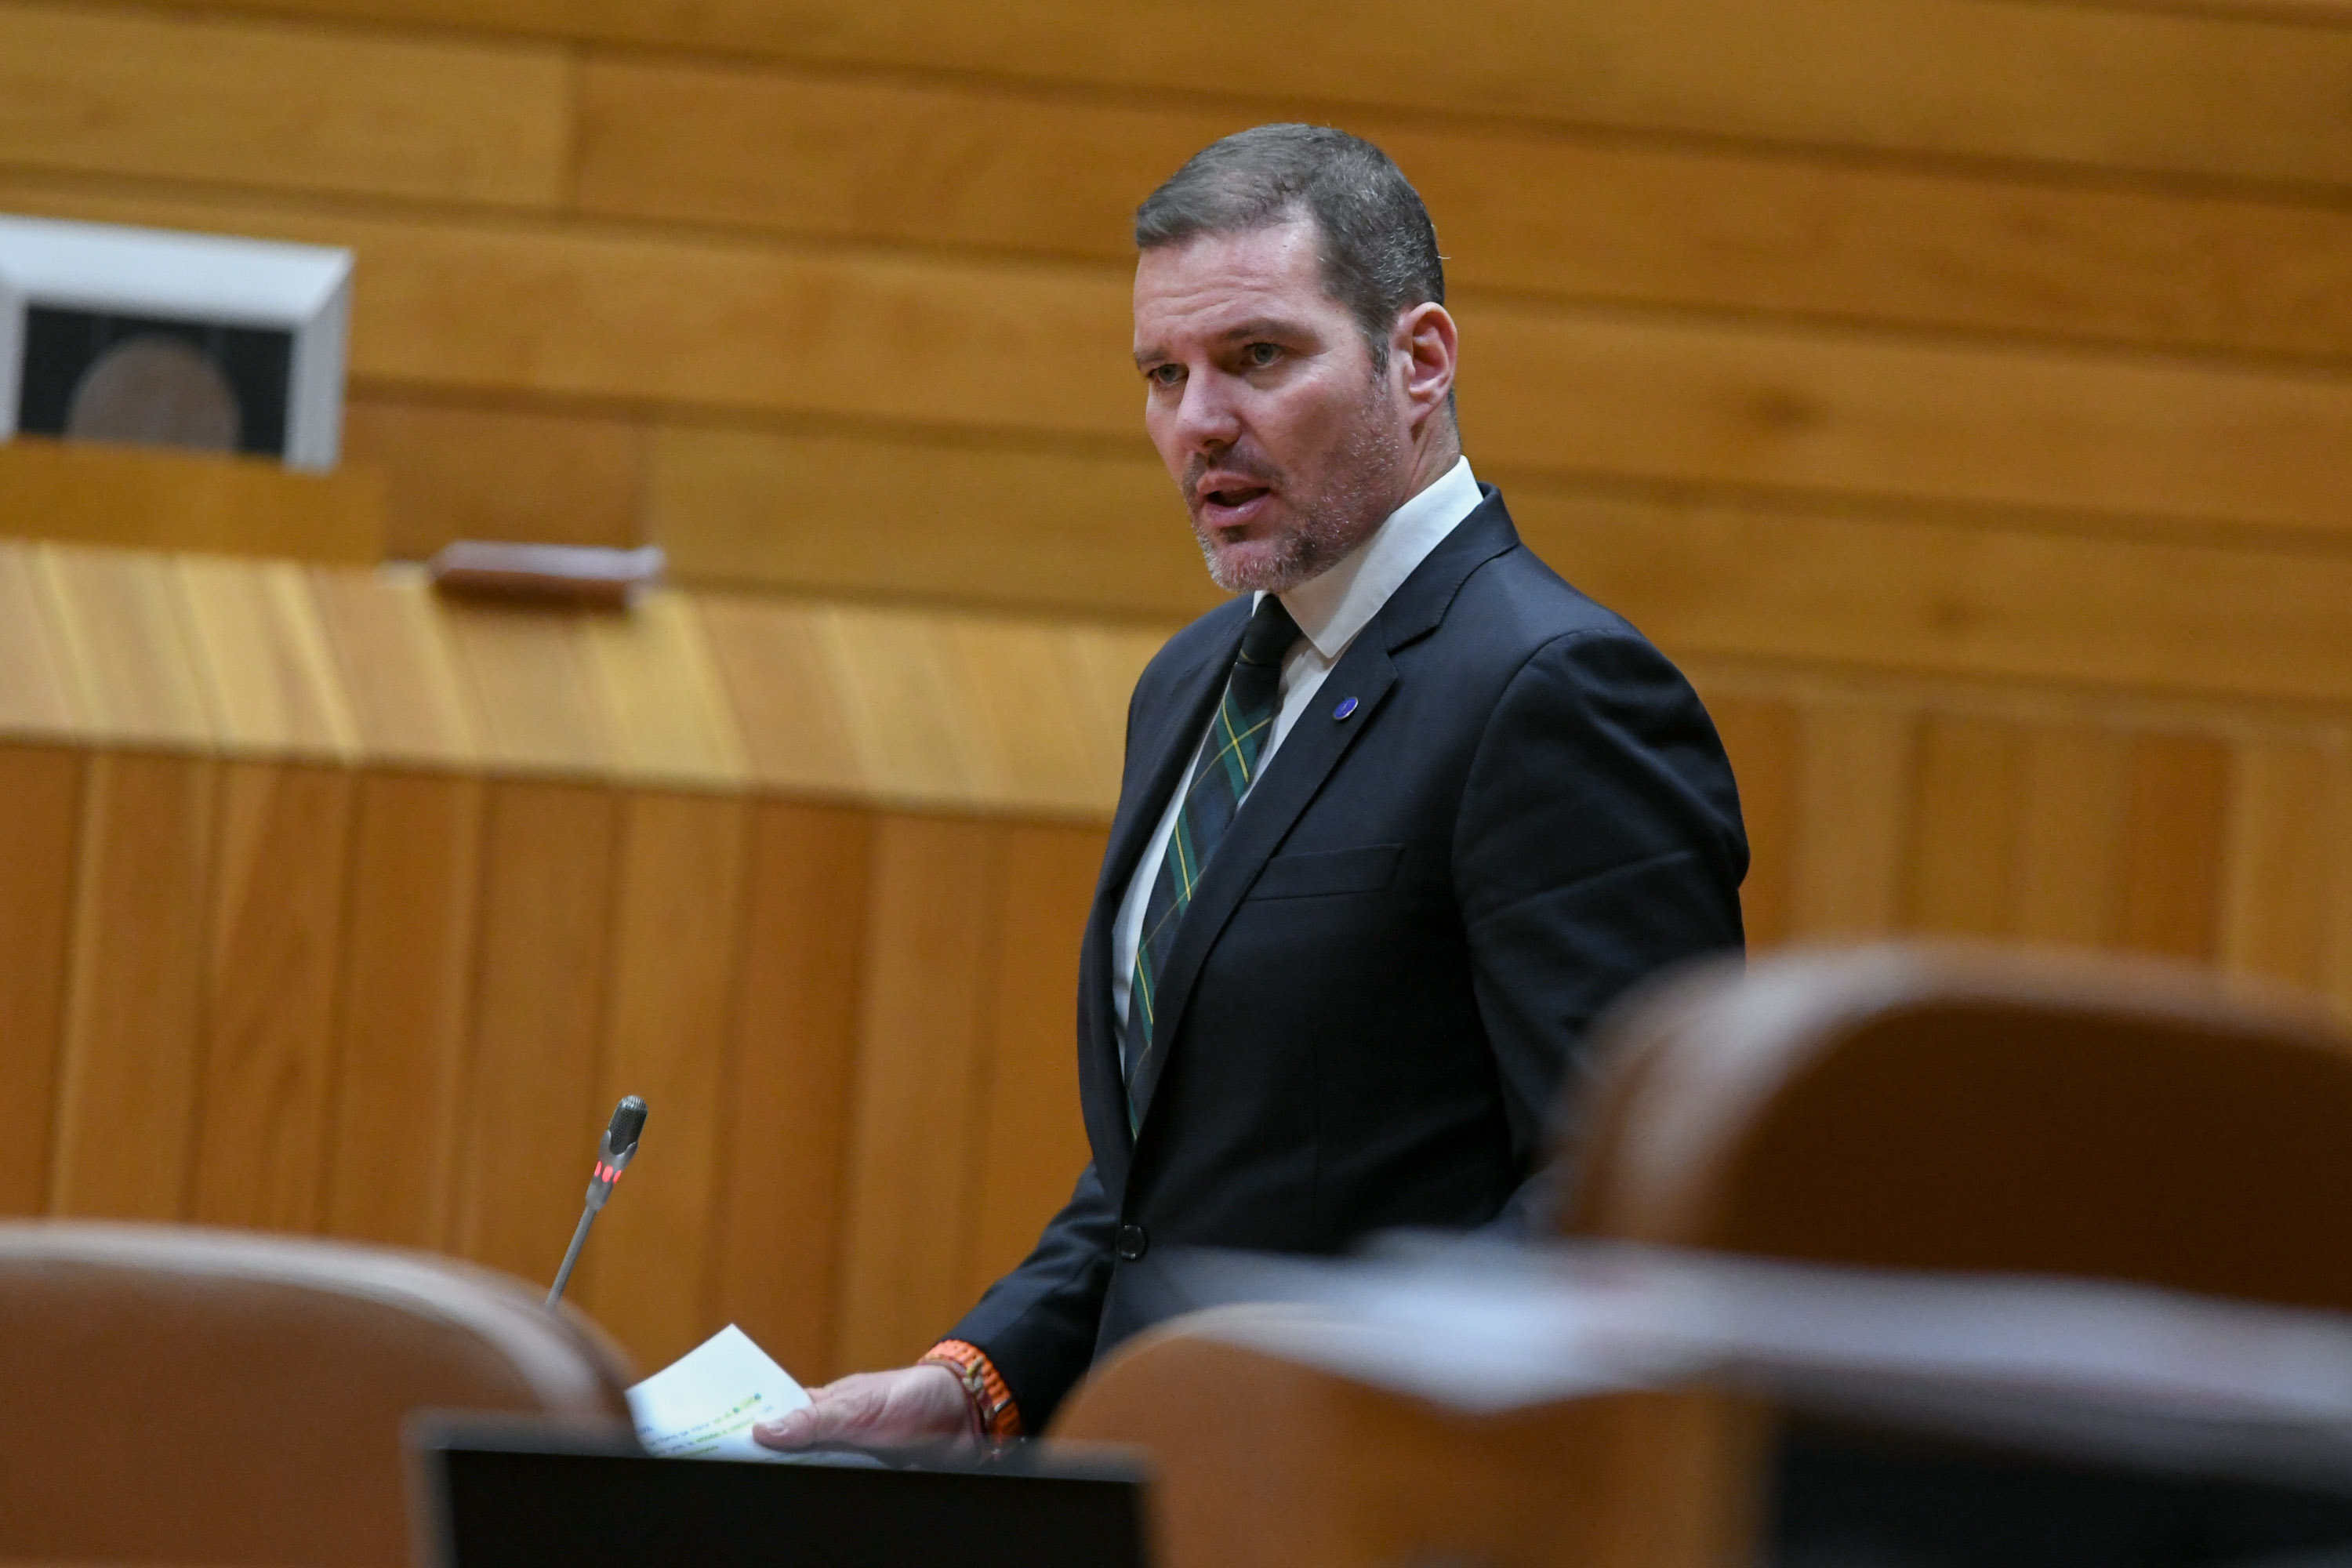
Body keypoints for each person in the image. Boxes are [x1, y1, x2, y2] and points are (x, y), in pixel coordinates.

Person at [756, 123, 1748, 1449]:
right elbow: (1179, 1172)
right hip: (1158, 1480)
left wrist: (1318, 1411)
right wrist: (979, 1379)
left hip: (1382, 1500)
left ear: (1419, 360)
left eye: (1259, 357)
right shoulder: (1192, 683)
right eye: (1164, 374)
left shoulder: (1553, 691)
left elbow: (1633, 1201)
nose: (1199, 423)